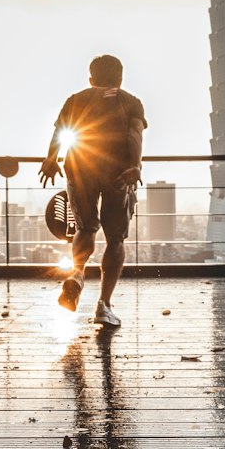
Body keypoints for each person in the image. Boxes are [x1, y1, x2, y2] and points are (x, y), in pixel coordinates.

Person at [39, 54, 146, 327]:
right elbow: (135, 133)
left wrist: (51, 161)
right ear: (120, 78)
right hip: (118, 172)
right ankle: (104, 305)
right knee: (115, 240)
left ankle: (76, 274)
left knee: (85, 229)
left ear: (91, 78)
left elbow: (61, 133)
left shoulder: (76, 99)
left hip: (80, 167)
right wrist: (135, 165)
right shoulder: (131, 101)